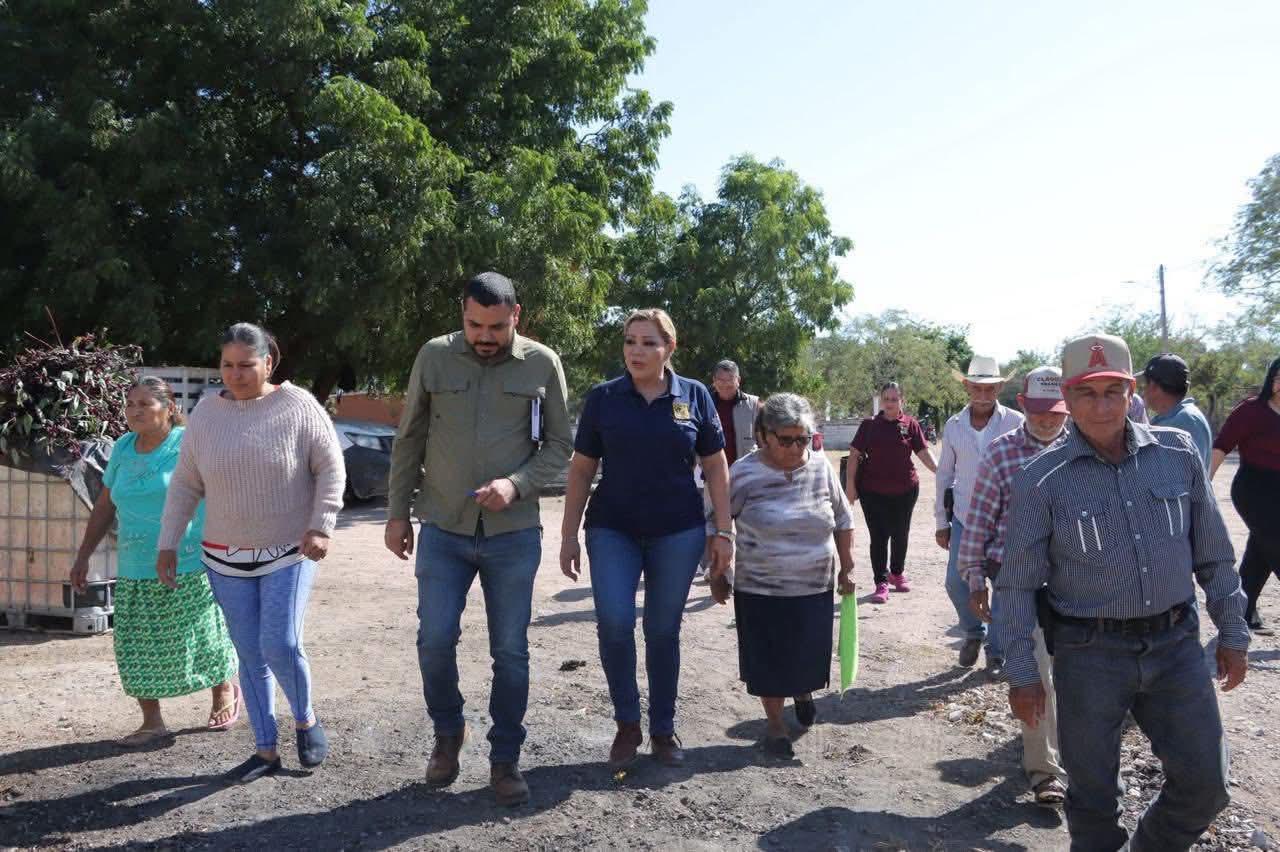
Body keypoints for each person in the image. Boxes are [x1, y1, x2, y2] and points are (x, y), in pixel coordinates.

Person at [995, 333, 1248, 852]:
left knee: (1206, 786)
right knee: (1092, 802)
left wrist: (1233, 629)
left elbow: (1214, 553)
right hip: (1089, 655)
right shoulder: (1039, 480)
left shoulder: (1176, 453)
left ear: (1132, 390)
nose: (1102, 406)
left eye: (1113, 391)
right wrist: (1022, 673)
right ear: (1068, 397)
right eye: (1087, 393)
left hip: (1176, 647)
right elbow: (1016, 586)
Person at [385, 272, 572, 807]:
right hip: (443, 527)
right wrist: (397, 515)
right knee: (433, 640)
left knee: (510, 651)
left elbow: (560, 444)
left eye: (496, 326)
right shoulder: (434, 357)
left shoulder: (542, 363)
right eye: (474, 325)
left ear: (517, 316)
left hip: (513, 534)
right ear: (462, 316)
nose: (485, 336)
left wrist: (516, 484)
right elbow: (409, 437)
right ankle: (449, 733)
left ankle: (505, 757)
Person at [158, 323, 346, 783]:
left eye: (246, 365)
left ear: (268, 362)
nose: (236, 374)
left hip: (289, 550)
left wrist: (321, 526)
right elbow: (185, 483)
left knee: (280, 642)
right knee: (249, 652)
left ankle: (304, 719)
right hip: (224, 557)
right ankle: (265, 750)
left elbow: (330, 467)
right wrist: (168, 542)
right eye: (227, 365)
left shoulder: (298, 406)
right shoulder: (206, 414)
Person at [560, 308, 732, 771]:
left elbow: (716, 466)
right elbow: (582, 469)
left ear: (669, 348)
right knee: (615, 622)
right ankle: (627, 724)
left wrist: (724, 531)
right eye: (630, 341)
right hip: (612, 528)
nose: (636, 351)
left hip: (678, 530)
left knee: (662, 630)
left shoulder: (694, 396)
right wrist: (568, 534)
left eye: (648, 342)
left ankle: (662, 729)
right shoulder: (604, 398)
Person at [70, 378, 238, 747]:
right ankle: (152, 720)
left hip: (188, 559)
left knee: (200, 634)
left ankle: (223, 688)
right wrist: (83, 555)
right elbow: (105, 505)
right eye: (130, 404)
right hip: (134, 563)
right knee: (135, 644)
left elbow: (222, 492)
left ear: (170, 408)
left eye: (145, 404)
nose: (135, 411)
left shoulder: (188, 444)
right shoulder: (122, 447)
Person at [713, 393, 855, 757]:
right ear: (764, 435)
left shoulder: (821, 467)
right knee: (769, 660)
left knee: (806, 655)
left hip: (814, 585)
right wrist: (718, 571)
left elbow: (843, 518)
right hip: (761, 589)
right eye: (786, 439)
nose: (796, 447)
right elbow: (717, 524)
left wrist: (848, 566)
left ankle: (802, 691)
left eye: (803, 439)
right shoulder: (743, 472)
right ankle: (775, 725)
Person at [956, 366, 1069, 804]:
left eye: (1056, 412)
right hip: (1018, 584)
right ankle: (1044, 771)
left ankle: (1080, 759)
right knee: (1034, 673)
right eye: (1039, 411)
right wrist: (974, 578)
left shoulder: (1084, 449)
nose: (1048, 420)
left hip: (1076, 584)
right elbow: (979, 519)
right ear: (1022, 405)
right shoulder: (1001, 454)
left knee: (1075, 677)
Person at [935, 356, 1024, 670]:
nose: (983, 395)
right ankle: (973, 632)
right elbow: (945, 474)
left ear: (999, 388)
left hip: (1005, 520)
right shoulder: (954, 425)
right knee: (955, 582)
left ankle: (996, 650)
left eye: (990, 388)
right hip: (964, 517)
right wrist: (941, 521)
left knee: (1003, 584)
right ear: (967, 387)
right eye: (977, 388)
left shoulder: (1016, 422)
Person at [846, 382, 937, 603]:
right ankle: (881, 582)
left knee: (900, 534)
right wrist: (850, 486)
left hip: (906, 490)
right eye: (886, 399)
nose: (890, 403)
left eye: (894, 399)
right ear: (881, 400)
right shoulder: (869, 425)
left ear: (901, 400)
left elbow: (923, 452)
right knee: (879, 537)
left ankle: (897, 573)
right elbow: (854, 455)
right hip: (872, 491)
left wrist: (942, 472)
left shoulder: (910, 424)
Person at [1210, 356, 1280, 632]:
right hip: (1253, 489)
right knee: (1275, 542)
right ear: (1270, 380)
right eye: (1278, 376)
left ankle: (1242, 611)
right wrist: (1203, 485)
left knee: (1260, 551)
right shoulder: (1251, 410)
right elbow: (1221, 446)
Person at [1140, 353, 1212, 471]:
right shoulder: (1183, 417)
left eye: (1145, 384)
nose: (1144, 390)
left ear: (1153, 386)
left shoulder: (1182, 421)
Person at [710, 359, 760, 467]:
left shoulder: (754, 404)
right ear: (714, 380)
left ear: (738, 380)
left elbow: (764, 441)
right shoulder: (705, 403)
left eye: (730, 381)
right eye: (721, 380)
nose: (725, 385)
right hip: (712, 470)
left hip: (746, 469)